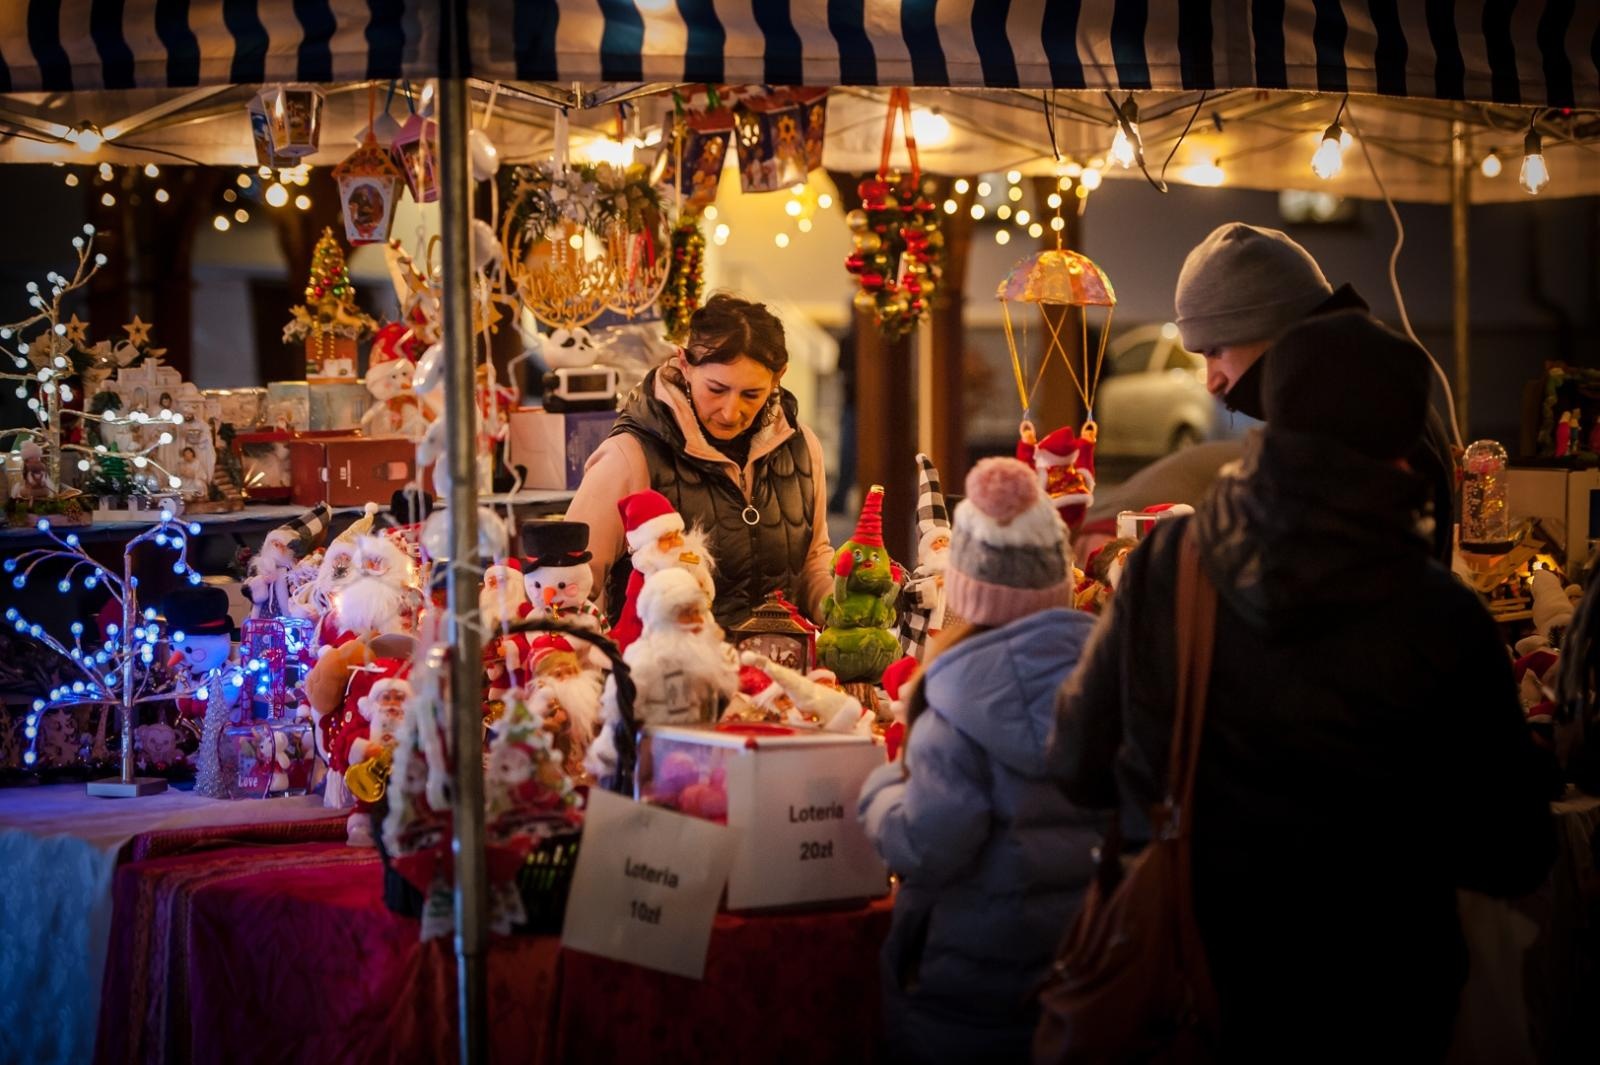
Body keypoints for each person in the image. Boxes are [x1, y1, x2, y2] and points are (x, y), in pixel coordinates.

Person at [1049, 310, 1555, 1062]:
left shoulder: (1171, 564)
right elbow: (1513, 849)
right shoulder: (1442, 615)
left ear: (1272, 417)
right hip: (1382, 1004)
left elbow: (1079, 760)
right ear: (1401, 453)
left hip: (1193, 985)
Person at [859, 457, 1102, 1064]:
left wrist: (881, 787)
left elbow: (925, 843)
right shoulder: (1111, 680)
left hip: (971, 987)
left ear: (965, 586)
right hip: (1085, 971)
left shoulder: (957, 698)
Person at [1173, 221, 1457, 562]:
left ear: (1271, 326)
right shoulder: (1358, 385)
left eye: (1215, 351)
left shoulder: (1356, 410)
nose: (1212, 381)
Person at [566, 294, 832, 629]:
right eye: (717, 389)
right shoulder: (629, 456)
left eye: (752, 394)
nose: (731, 411)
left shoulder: (802, 448)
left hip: (781, 672)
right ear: (685, 364)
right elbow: (571, 583)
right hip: (665, 675)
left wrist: (838, 608)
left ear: (779, 376)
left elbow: (812, 562)